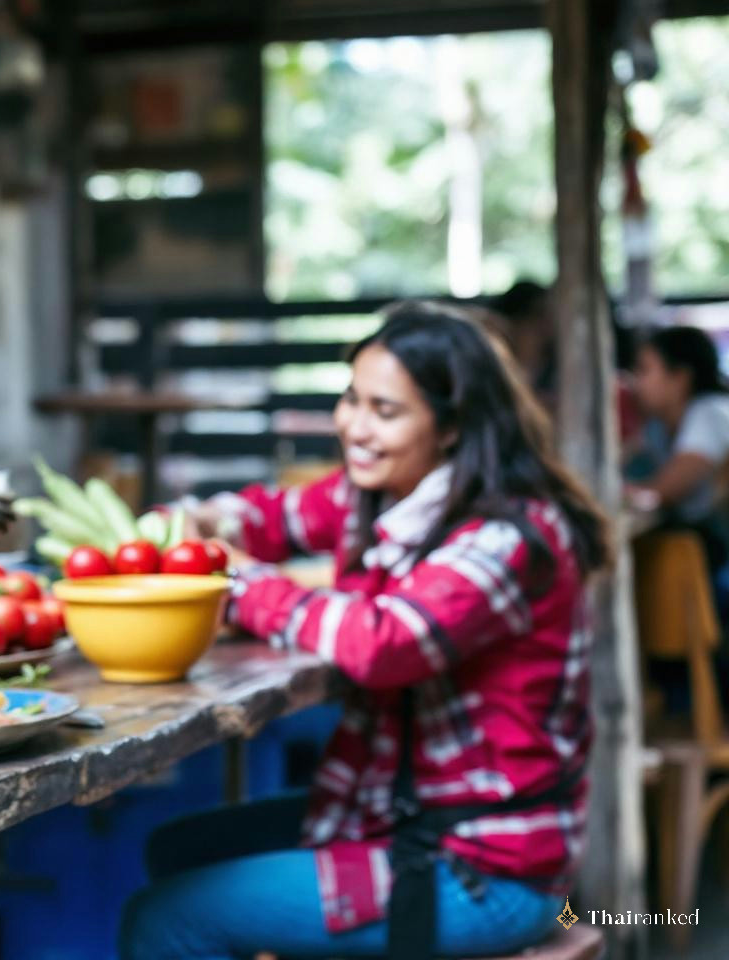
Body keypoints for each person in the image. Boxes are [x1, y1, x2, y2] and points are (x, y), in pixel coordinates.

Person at [119, 302, 609, 960]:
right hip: (400, 812)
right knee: (172, 850)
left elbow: (386, 644)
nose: (355, 426)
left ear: (453, 426)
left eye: (387, 411)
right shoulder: (382, 494)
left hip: (481, 866)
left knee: (169, 919)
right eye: (352, 400)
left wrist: (242, 584)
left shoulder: (510, 536)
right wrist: (194, 525)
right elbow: (276, 516)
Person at [627, 325, 729, 590]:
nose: (636, 381)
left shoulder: (710, 414)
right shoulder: (659, 426)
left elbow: (665, 490)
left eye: (645, 370)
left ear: (680, 377)